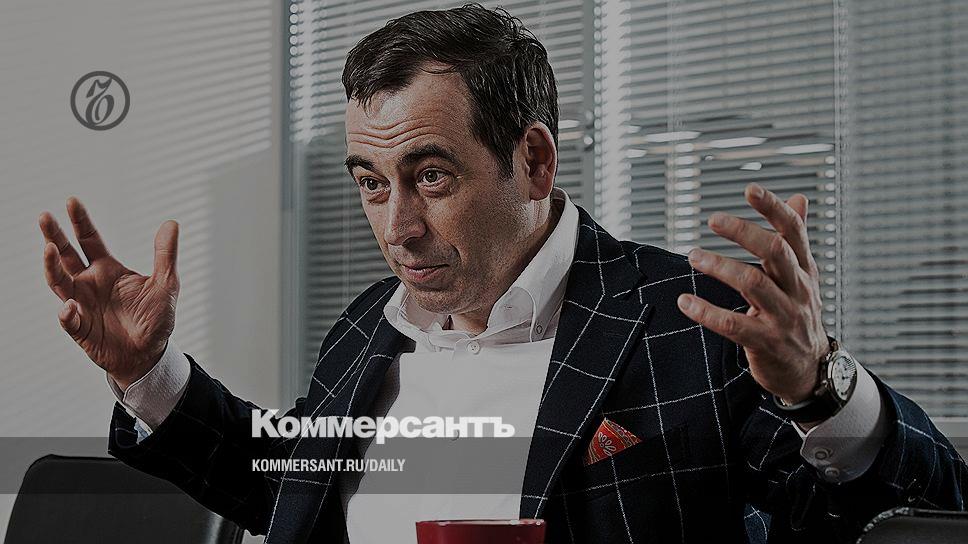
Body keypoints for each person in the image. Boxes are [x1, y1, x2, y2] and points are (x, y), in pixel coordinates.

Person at [38, 4, 966, 543]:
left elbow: (911, 518)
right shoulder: (368, 328)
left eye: (431, 177)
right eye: (371, 183)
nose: (397, 228)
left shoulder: (688, 321)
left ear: (533, 160)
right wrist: (147, 374)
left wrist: (819, 388)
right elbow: (287, 484)